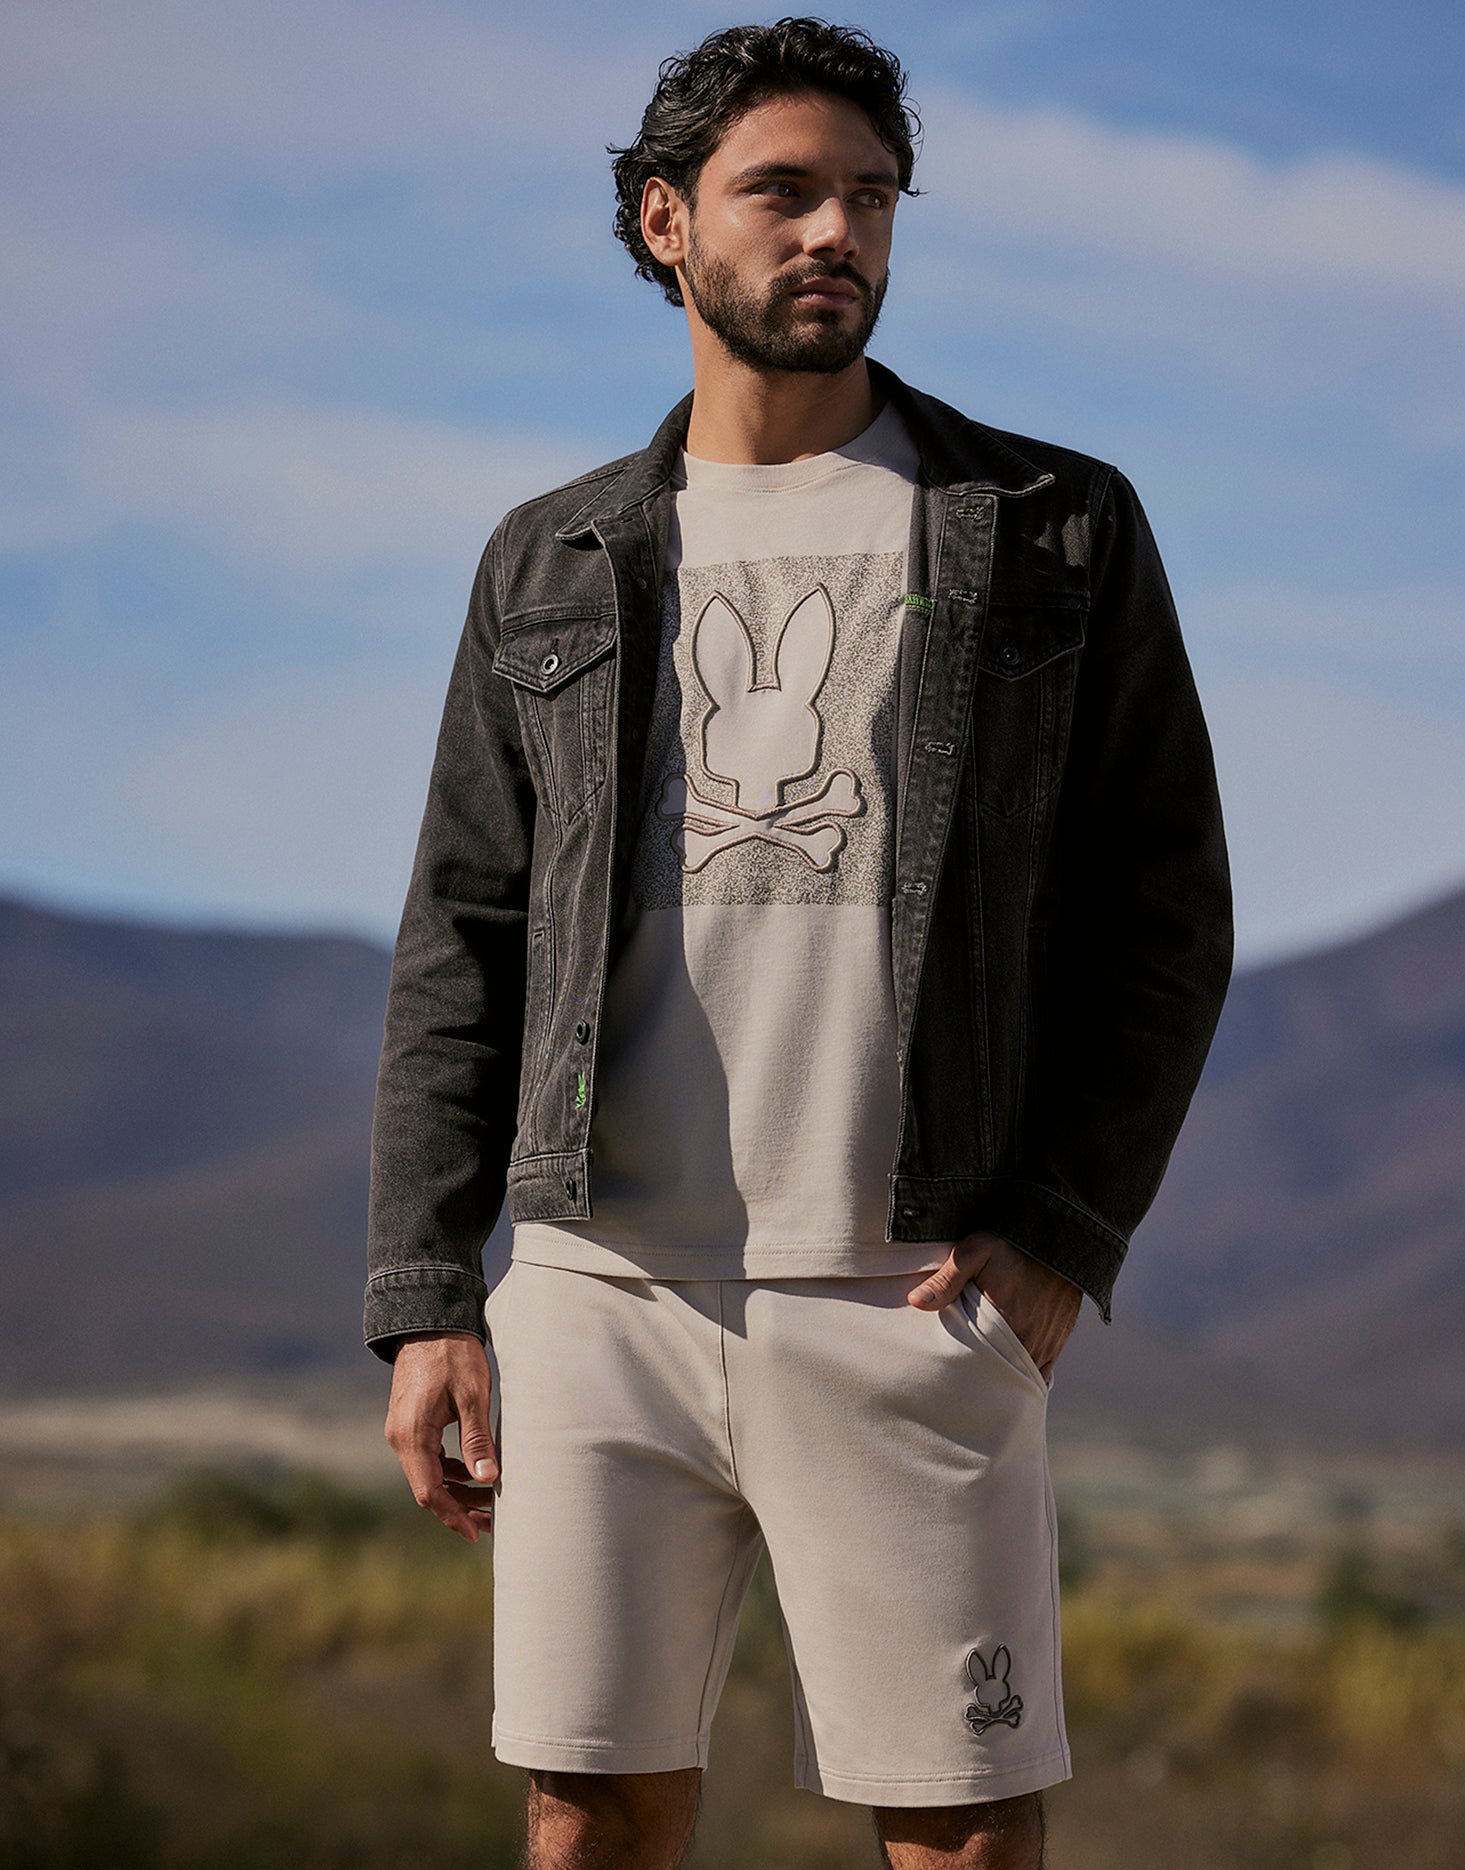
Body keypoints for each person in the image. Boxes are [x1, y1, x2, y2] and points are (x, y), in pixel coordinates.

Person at [364, 18, 1232, 1868]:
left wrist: (1064, 1232)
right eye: (783, 191)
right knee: (588, 1812)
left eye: (870, 195)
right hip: (599, 1287)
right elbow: (466, 927)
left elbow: (1165, 910)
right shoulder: (551, 558)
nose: (835, 228)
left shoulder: (1049, 528)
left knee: (961, 1831)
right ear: (667, 221)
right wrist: (429, 1289)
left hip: (909, 1288)